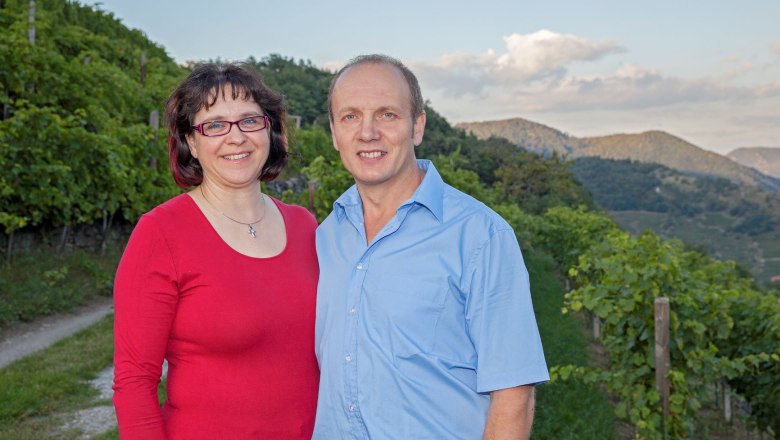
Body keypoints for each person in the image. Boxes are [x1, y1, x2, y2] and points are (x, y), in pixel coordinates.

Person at [313, 54, 549, 439]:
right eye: (350, 116)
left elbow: (514, 392)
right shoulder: (326, 236)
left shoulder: (479, 235)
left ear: (417, 126)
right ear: (335, 132)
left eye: (387, 114)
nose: (368, 132)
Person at [112, 63, 319, 439]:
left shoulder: (305, 226)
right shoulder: (160, 233)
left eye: (249, 121)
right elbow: (134, 382)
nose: (235, 137)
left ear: (270, 131)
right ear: (191, 141)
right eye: (215, 125)